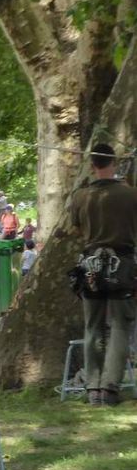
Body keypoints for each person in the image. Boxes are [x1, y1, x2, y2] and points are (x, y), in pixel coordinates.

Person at [70, 142, 137, 406]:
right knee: (120, 326)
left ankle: (93, 387)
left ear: (92, 165)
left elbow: (77, 230)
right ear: (114, 163)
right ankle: (110, 387)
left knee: (93, 326)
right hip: (123, 265)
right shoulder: (131, 195)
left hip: (91, 267)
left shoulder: (80, 196)